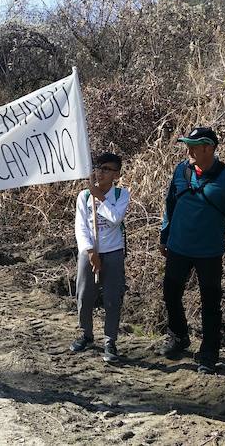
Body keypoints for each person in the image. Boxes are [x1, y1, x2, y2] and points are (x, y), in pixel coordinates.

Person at [158, 127, 225, 374]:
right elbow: (170, 204)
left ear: (209, 148)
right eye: (187, 145)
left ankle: (208, 353)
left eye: (193, 146)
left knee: (210, 302)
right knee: (170, 293)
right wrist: (165, 235)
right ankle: (178, 336)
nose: (188, 151)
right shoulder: (181, 170)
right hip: (178, 247)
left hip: (209, 252)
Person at [70, 152, 130, 363]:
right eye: (98, 168)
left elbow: (115, 219)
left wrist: (100, 197)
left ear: (116, 174)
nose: (100, 172)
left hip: (113, 251)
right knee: (84, 295)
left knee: (112, 298)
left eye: (106, 169)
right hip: (89, 252)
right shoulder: (83, 196)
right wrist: (90, 251)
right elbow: (81, 227)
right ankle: (86, 334)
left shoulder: (121, 195)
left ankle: (110, 341)